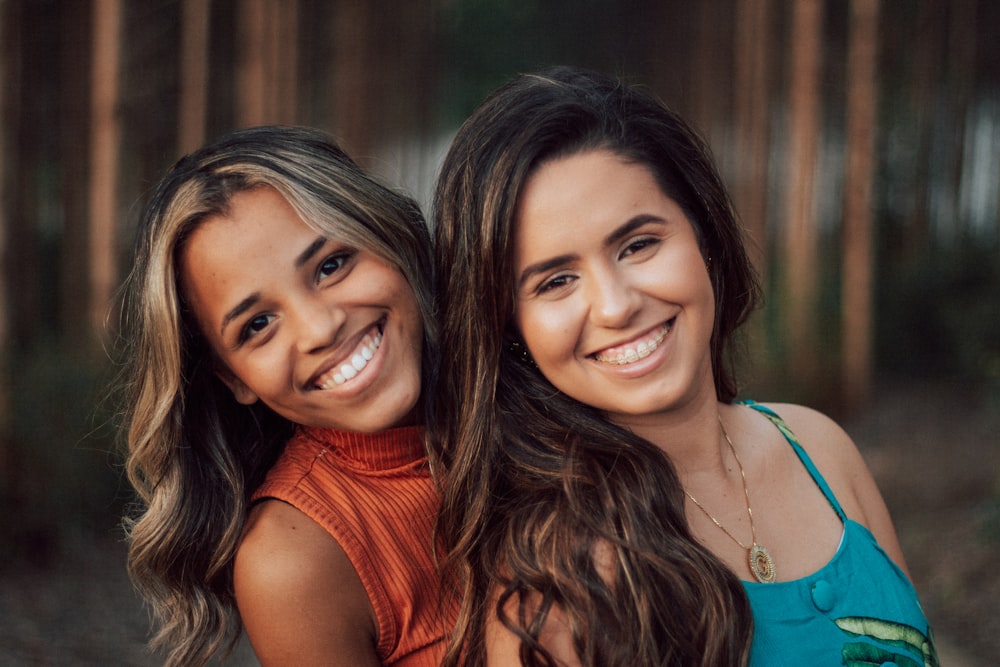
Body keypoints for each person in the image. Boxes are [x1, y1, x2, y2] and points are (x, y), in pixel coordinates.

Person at [431, 66, 937, 666]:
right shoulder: (553, 591)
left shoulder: (820, 447)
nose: (617, 306)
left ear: (703, 235)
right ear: (509, 327)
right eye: (556, 281)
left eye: (638, 245)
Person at [120, 126, 452, 666]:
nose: (318, 328)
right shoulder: (293, 559)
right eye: (258, 325)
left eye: (330, 265)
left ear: (389, 239)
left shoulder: (532, 389)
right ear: (234, 379)